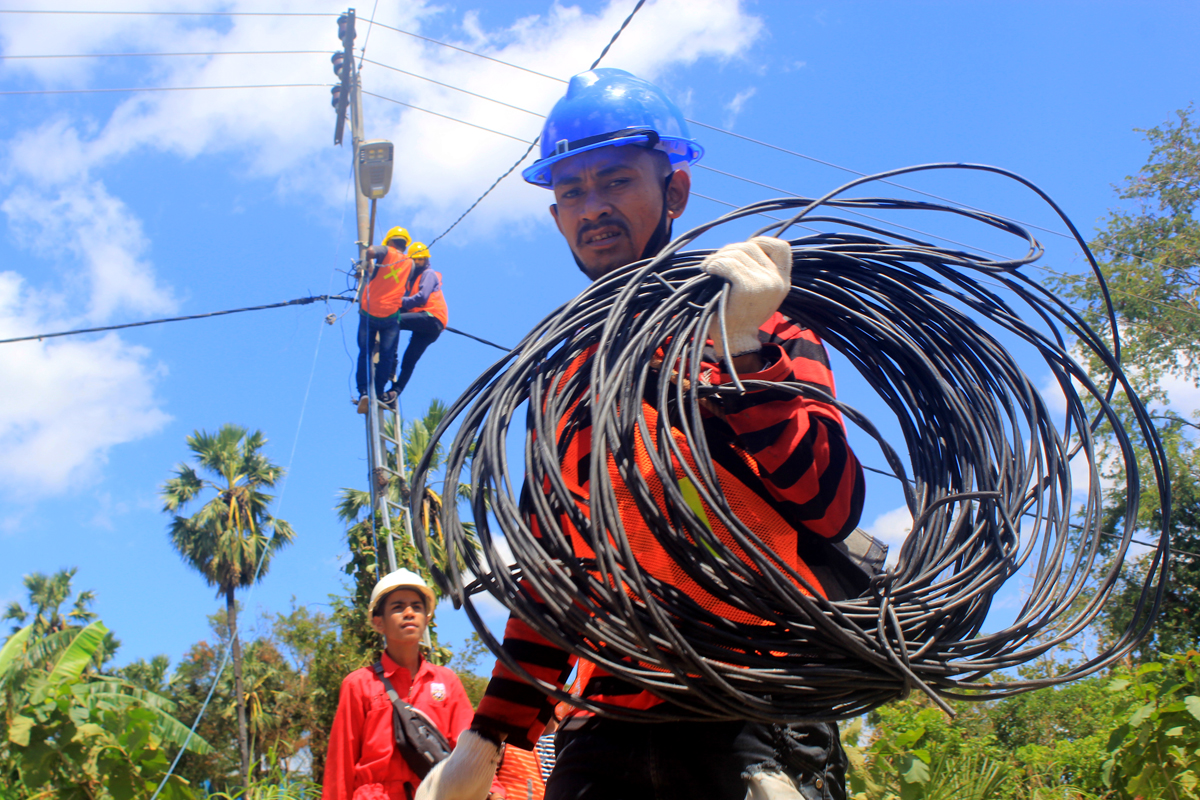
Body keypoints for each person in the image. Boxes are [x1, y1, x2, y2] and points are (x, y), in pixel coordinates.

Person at [417, 69, 866, 800]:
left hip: (758, 706)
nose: (592, 208)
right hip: (611, 714)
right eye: (572, 192)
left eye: (615, 181)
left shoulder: (765, 322)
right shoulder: (560, 380)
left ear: (675, 194)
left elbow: (830, 504)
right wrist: (490, 735)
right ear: (556, 216)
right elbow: (554, 573)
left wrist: (744, 352)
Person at [323, 569, 499, 800]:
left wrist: (494, 791)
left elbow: (471, 750)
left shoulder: (446, 682)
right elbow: (341, 763)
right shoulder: (358, 684)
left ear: (426, 619)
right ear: (378, 622)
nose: (409, 613)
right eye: (397, 607)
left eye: (417, 607)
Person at [356, 227, 414, 413]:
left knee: (365, 351)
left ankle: (364, 391)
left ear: (390, 241)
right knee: (387, 356)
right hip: (390, 315)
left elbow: (371, 251)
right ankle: (379, 392)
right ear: (405, 244)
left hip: (369, 310)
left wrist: (367, 263)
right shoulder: (410, 263)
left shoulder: (386, 251)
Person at [390, 241, 448, 397]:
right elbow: (406, 304)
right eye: (414, 260)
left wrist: (398, 302)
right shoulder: (410, 280)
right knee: (409, 359)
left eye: (420, 259)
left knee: (393, 321)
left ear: (426, 260)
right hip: (425, 326)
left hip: (431, 317)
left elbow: (421, 298)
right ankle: (396, 391)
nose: (417, 263)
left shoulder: (428, 274)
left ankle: (391, 361)